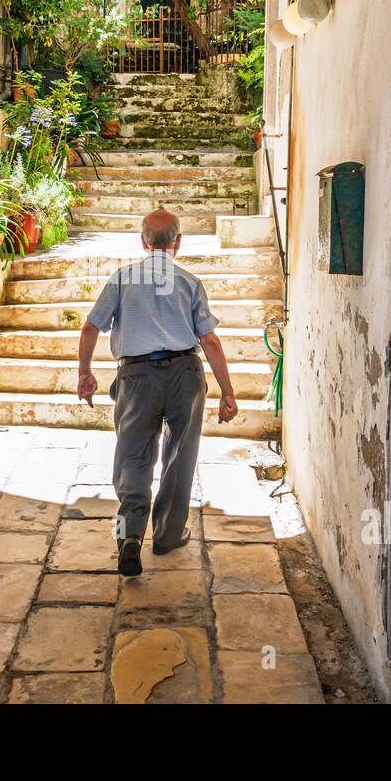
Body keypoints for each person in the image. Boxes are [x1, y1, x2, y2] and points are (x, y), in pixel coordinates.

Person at [76, 209, 238, 577]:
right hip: (185, 373)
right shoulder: (190, 282)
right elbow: (209, 340)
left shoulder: (122, 279)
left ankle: (129, 537)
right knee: (180, 455)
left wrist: (85, 373)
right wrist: (227, 392)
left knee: (132, 456)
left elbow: (90, 329)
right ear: (178, 242)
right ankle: (166, 536)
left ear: (143, 241)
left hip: (136, 377)